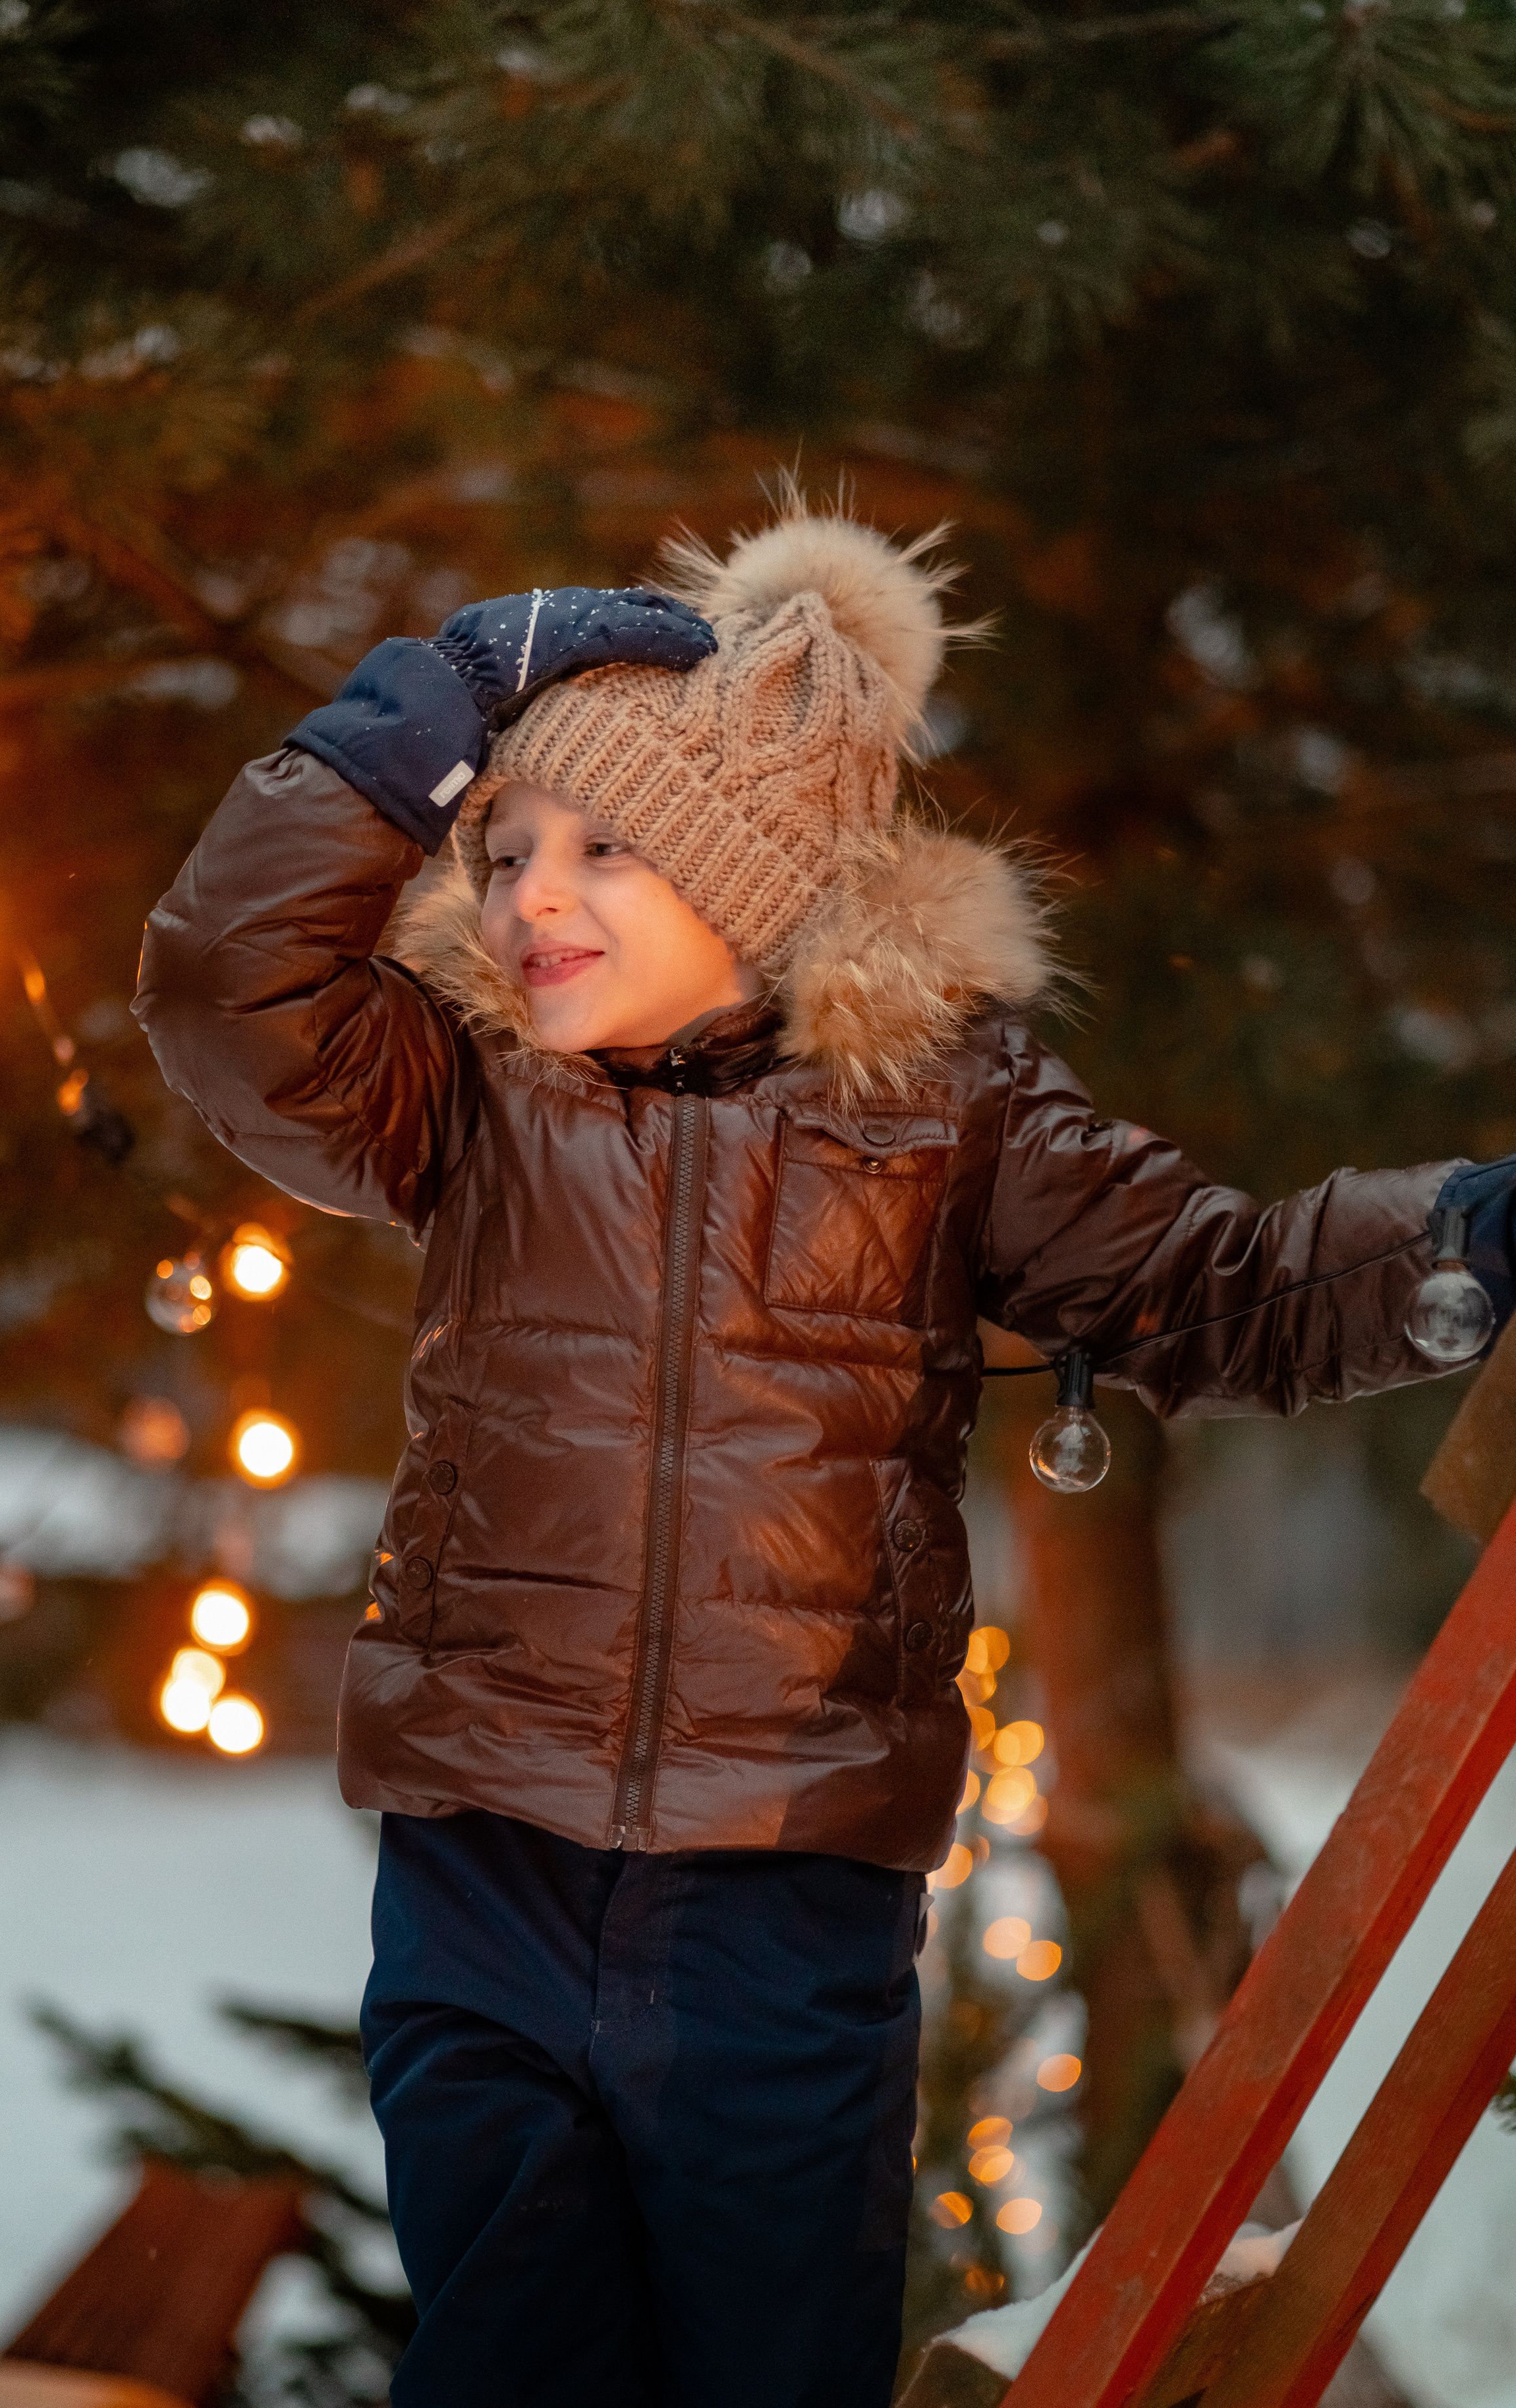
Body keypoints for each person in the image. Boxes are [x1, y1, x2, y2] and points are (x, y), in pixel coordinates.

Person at [132, 489, 1513, 2408]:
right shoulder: (469, 1105)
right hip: (485, 1876)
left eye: (607, 848)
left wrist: (1453, 1238)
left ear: (756, 884)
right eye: (508, 842)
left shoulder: (949, 1118)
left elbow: (1216, 1293)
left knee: (764, 2366)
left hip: (780, 1900)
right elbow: (224, 987)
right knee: (510, 2360)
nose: (532, 891)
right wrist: (428, 703)